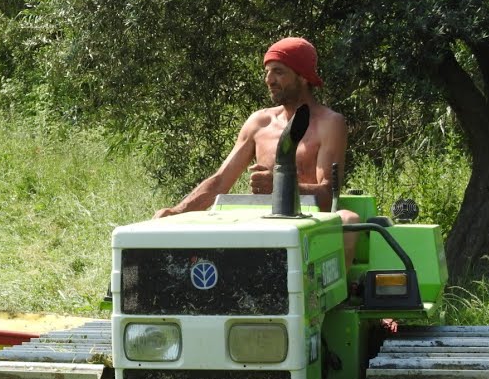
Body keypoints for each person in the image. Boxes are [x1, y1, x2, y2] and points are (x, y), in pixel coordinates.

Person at [153, 37, 360, 261]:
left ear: (303, 76)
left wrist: (281, 185)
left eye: (279, 72)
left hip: (310, 223)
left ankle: (338, 296)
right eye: (267, 71)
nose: (269, 79)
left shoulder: (330, 123)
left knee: (349, 219)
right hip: (260, 222)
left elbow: (328, 196)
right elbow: (221, 181)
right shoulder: (259, 122)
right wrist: (177, 211)